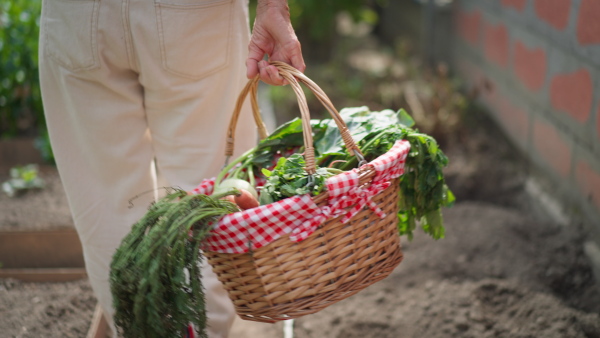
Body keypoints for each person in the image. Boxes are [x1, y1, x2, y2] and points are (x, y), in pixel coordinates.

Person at [38, 0, 305, 336]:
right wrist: (272, 7)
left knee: (110, 208)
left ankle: (138, 329)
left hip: (78, 17)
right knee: (213, 203)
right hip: (192, 17)